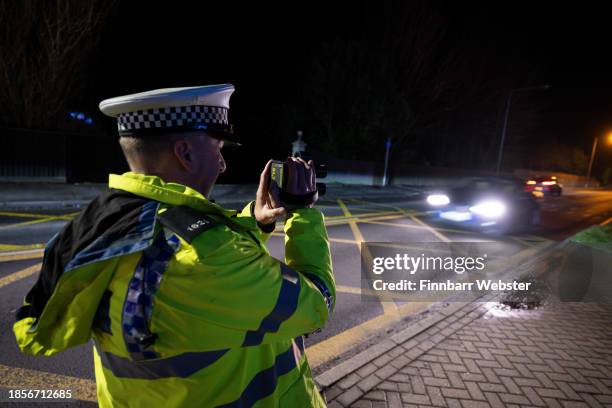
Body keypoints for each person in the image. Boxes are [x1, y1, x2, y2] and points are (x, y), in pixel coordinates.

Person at [13, 84, 335, 407]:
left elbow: (199, 242)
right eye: (218, 148)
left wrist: (258, 221)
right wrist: (303, 213)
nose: (222, 164)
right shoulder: (208, 259)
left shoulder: (110, 224)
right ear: (185, 153)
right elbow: (318, 302)